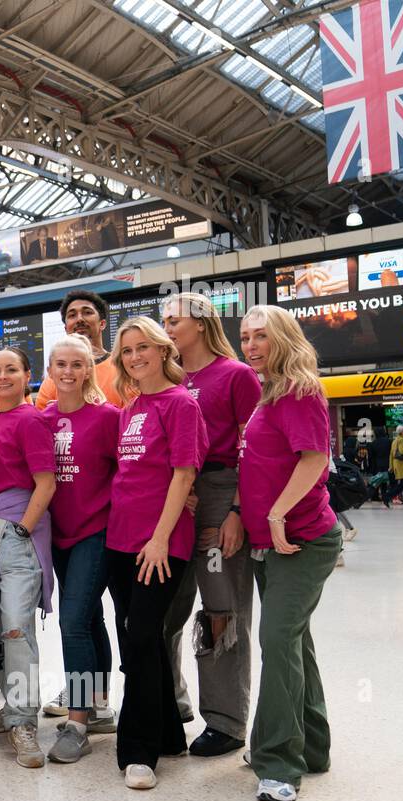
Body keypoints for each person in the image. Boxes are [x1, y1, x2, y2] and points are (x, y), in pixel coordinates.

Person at [238, 305, 342, 801]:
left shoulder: (299, 390)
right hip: (272, 543)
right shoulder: (270, 392)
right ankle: (314, 748)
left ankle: (277, 762)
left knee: (277, 639)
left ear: (285, 338)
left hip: (301, 539)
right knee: (295, 643)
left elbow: (315, 458)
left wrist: (276, 514)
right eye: (245, 337)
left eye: (261, 336)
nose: (251, 345)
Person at [106, 317, 208, 791]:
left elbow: (183, 475)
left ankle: (138, 749)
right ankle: (170, 734)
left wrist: (161, 538)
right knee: (138, 639)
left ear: (163, 350)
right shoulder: (132, 406)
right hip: (120, 541)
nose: (134, 357)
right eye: (126, 350)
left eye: (142, 347)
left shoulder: (181, 404)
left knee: (141, 636)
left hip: (159, 544)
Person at [160, 292, 262, 756]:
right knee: (164, 607)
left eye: (173, 320)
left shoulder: (236, 375)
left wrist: (238, 511)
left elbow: (254, 447)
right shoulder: (167, 378)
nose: (167, 328)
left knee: (221, 612)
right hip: (175, 495)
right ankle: (171, 703)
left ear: (201, 323)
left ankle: (225, 721)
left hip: (222, 490)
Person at [0, 347, 56, 768]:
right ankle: (10, 704)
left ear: (27, 375)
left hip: (17, 533)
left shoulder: (32, 419)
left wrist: (23, 529)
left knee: (18, 629)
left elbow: (46, 483)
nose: (2, 376)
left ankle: (24, 722)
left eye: (11, 370)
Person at [41, 335, 121, 763]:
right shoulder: (44, 418)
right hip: (59, 535)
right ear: (50, 371)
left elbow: (128, 474)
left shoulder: (108, 417)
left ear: (89, 369)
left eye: (77, 364)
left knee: (72, 622)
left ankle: (76, 722)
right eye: (61, 365)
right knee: (89, 618)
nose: (68, 372)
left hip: (97, 531)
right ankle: (100, 703)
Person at [34, 290, 125, 411]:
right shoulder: (53, 380)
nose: (79, 319)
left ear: (102, 324)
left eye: (87, 312)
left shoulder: (122, 369)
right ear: (66, 328)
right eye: (72, 315)